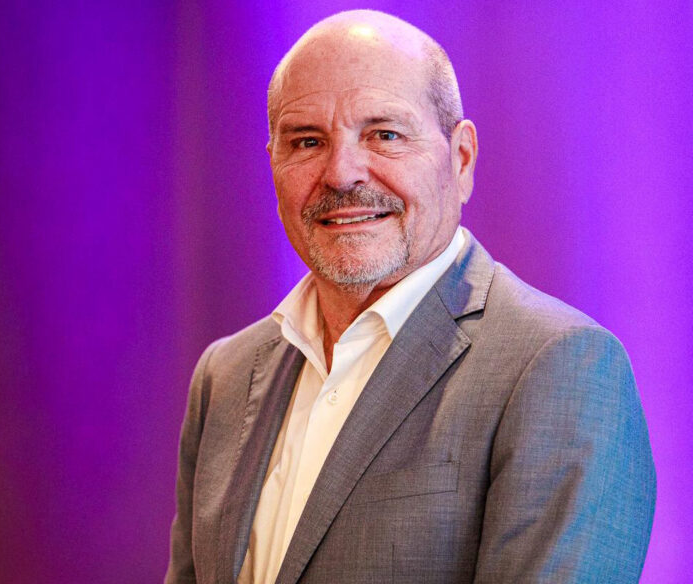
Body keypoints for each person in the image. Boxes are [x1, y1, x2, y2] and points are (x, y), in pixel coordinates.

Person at [165, 10, 655, 584]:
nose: (342, 173)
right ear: (273, 161)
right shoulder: (224, 376)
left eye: (385, 135)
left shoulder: (559, 368)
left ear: (461, 159)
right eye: (307, 141)